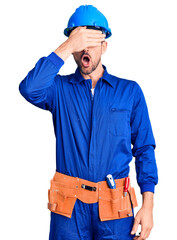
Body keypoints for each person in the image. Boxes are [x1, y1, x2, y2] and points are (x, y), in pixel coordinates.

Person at [19, 4, 158, 240]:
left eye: (92, 42)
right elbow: (29, 89)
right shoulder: (59, 90)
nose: (85, 49)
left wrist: (148, 205)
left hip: (115, 209)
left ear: (104, 45)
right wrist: (66, 46)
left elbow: (144, 149)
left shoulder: (129, 92)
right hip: (69, 210)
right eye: (79, 43)